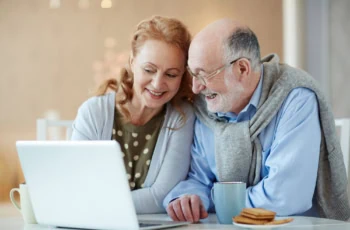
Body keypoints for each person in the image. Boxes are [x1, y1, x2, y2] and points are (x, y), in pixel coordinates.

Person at [164, 19, 350, 222]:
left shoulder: (295, 98)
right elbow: (199, 179)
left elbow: (285, 197)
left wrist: (214, 200)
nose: (196, 88)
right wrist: (188, 199)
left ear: (242, 69)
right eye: (193, 74)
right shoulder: (207, 107)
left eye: (204, 74)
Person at [71, 16, 195, 214]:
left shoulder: (182, 117)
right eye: (149, 70)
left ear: (182, 75)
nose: (157, 83)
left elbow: (160, 196)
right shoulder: (93, 113)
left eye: (171, 74)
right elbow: (77, 186)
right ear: (132, 62)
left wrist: (96, 204)